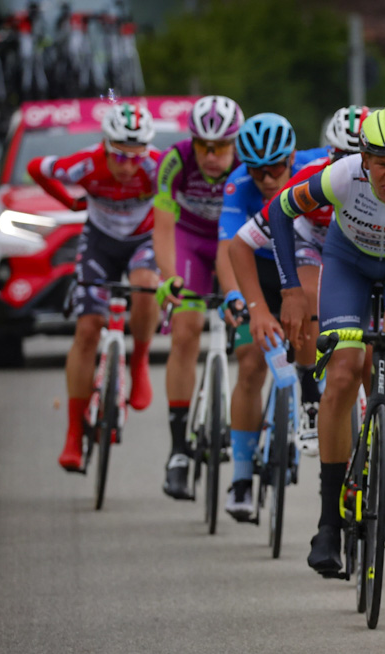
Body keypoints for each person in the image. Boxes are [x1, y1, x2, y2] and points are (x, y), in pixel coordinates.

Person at [267, 106, 385, 576]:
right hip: (347, 264)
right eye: (380, 162)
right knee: (342, 374)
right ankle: (327, 522)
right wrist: (289, 290)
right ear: (363, 158)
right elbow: (278, 211)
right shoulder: (340, 176)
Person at [29, 102, 161, 472]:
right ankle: (73, 433)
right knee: (87, 329)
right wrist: (68, 200)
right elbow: (35, 168)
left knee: (146, 284)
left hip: (142, 242)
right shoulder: (85, 164)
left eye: (137, 157)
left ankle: (139, 360)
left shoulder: (156, 166)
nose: (128, 166)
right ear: (105, 145)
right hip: (99, 244)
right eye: (119, 156)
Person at [214, 112, 328, 520]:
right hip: (256, 268)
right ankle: (242, 478)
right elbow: (229, 248)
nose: (266, 179)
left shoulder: (314, 166)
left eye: (276, 168)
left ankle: (306, 381)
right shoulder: (238, 186)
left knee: (307, 328)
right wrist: (236, 299)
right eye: (257, 171)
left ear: (293, 157)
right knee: (249, 363)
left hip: (300, 261)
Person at [152, 95, 244, 500]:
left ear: (235, 143)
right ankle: (178, 451)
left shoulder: (247, 164)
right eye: (203, 146)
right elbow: (162, 227)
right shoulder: (174, 160)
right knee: (185, 331)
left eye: (221, 146)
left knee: (246, 332)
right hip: (190, 242)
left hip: (233, 242)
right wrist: (170, 278)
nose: (211, 155)